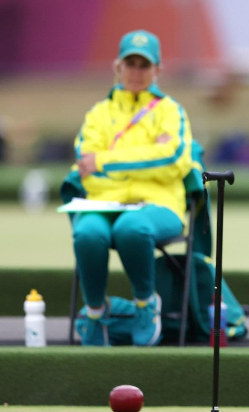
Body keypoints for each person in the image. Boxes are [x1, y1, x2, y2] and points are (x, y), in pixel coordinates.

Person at [71, 30, 193, 346]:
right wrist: (144, 159)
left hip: (160, 205)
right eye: (131, 63)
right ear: (118, 67)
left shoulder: (170, 110)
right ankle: (96, 314)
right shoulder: (99, 113)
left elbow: (173, 159)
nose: (136, 71)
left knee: (131, 227)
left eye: (144, 64)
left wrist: (105, 161)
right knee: (86, 234)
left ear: (158, 70)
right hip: (104, 204)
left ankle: (145, 305)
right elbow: (84, 168)